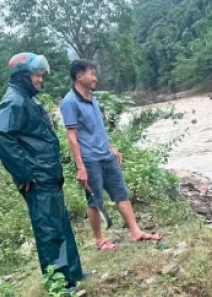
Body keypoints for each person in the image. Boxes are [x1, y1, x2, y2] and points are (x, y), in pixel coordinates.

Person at [0, 52, 85, 287]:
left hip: (48, 175)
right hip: (38, 179)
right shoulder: (15, 101)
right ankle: (61, 286)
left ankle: (73, 274)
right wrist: (23, 171)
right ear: (23, 75)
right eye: (36, 75)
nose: (41, 80)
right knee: (49, 232)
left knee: (61, 225)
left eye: (41, 75)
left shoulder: (29, 98)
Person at [61, 60, 163, 251]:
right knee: (95, 200)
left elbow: (98, 128)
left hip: (106, 155)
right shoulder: (69, 102)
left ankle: (135, 231)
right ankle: (100, 240)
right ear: (79, 76)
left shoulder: (93, 98)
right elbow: (72, 137)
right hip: (89, 160)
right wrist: (80, 167)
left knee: (120, 192)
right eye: (91, 73)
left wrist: (111, 146)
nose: (95, 77)